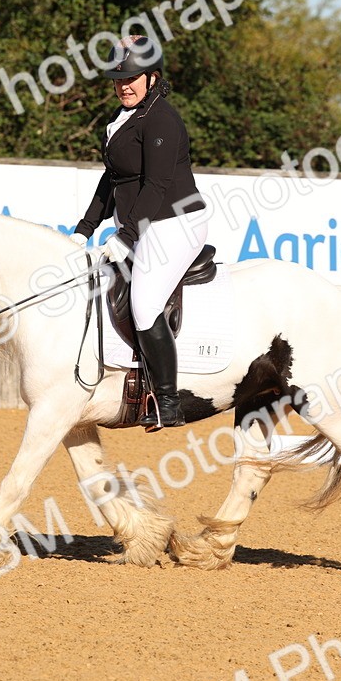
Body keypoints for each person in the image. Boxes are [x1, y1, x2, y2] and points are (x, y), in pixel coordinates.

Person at [71, 35, 208, 429]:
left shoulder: (162, 119)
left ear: (152, 78)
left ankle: (168, 401)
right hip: (142, 224)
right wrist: (84, 229)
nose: (124, 85)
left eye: (132, 78)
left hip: (175, 221)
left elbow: (157, 185)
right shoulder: (120, 120)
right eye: (118, 79)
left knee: (145, 304)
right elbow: (111, 181)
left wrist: (127, 235)